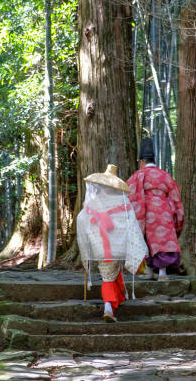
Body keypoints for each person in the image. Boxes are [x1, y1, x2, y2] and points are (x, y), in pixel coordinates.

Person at [77, 164, 148, 322]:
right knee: (110, 274)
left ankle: (116, 300)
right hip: (117, 246)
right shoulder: (123, 204)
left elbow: (81, 219)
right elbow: (131, 225)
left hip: (99, 246)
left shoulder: (93, 204)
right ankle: (108, 307)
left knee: (109, 273)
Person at [127, 137, 184, 280]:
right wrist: (176, 214)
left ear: (141, 161)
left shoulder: (138, 175)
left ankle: (150, 271)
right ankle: (162, 273)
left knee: (147, 240)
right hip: (164, 211)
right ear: (154, 160)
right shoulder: (165, 175)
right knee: (162, 241)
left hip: (146, 212)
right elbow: (175, 197)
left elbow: (129, 194)